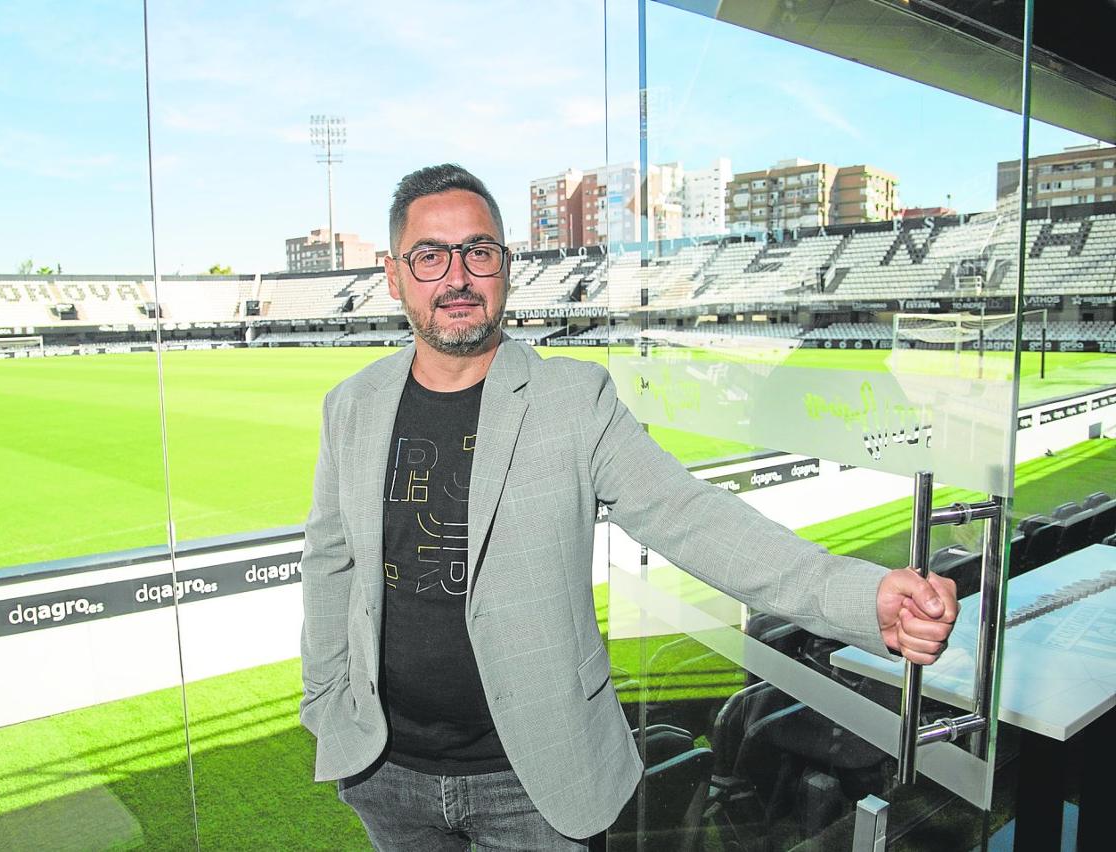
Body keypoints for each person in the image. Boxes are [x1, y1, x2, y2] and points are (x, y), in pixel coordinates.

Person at [299, 163, 957, 850]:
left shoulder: (575, 402)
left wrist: (861, 595)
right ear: (395, 274)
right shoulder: (353, 405)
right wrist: (326, 702)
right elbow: (330, 561)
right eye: (430, 255)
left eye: (479, 251)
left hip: (534, 781)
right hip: (388, 774)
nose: (457, 276)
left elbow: (694, 517)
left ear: (506, 267)